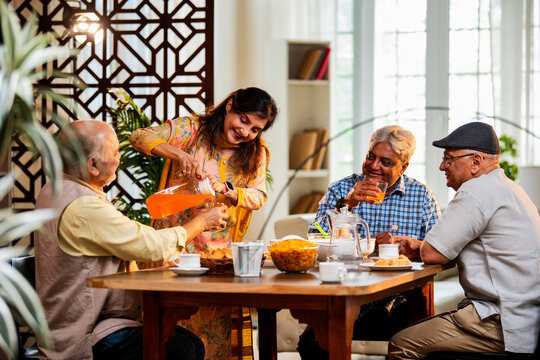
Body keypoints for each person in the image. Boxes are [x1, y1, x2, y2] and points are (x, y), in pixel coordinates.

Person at [34, 120, 228, 360]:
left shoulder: (53, 189)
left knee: (189, 343)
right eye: (115, 153)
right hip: (85, 333)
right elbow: (153, 246)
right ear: (92, 165)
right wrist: (201, 222)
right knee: (184, 348)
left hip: (82, 322)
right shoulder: (82, 208)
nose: (119, 159)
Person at [129, 87, 278, 359]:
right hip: (174, 253)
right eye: (243, 120)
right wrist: (180, 155)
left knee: (216, 341)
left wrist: (234, 192)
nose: (246, 133)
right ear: (230, 105)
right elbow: (139, 136)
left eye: (255, 129)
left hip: (218, 261)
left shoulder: (256, 153)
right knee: (171, 339)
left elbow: (259, 195)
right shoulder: (191, 130)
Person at [389, 122, 540, 359]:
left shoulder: (475, 191)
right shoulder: (509, 188)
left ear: (476, 162)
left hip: (501, 321)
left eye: (448, 159)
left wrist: (423, 248)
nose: (441, 166)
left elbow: (432, 255)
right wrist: (419, 246)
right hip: (524, 316)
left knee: (402, 342)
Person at [297, 125, 441, 359]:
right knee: (310, 342)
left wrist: (408, 244)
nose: (374, 166)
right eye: (370, 157)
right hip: (346, 294)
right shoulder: (342, 189)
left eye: (386, 162)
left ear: (403, 167)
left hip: (401, 296)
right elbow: (315, 236)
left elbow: (439, 251)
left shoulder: (422, 196)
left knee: (402, 333)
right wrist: (349, 203)